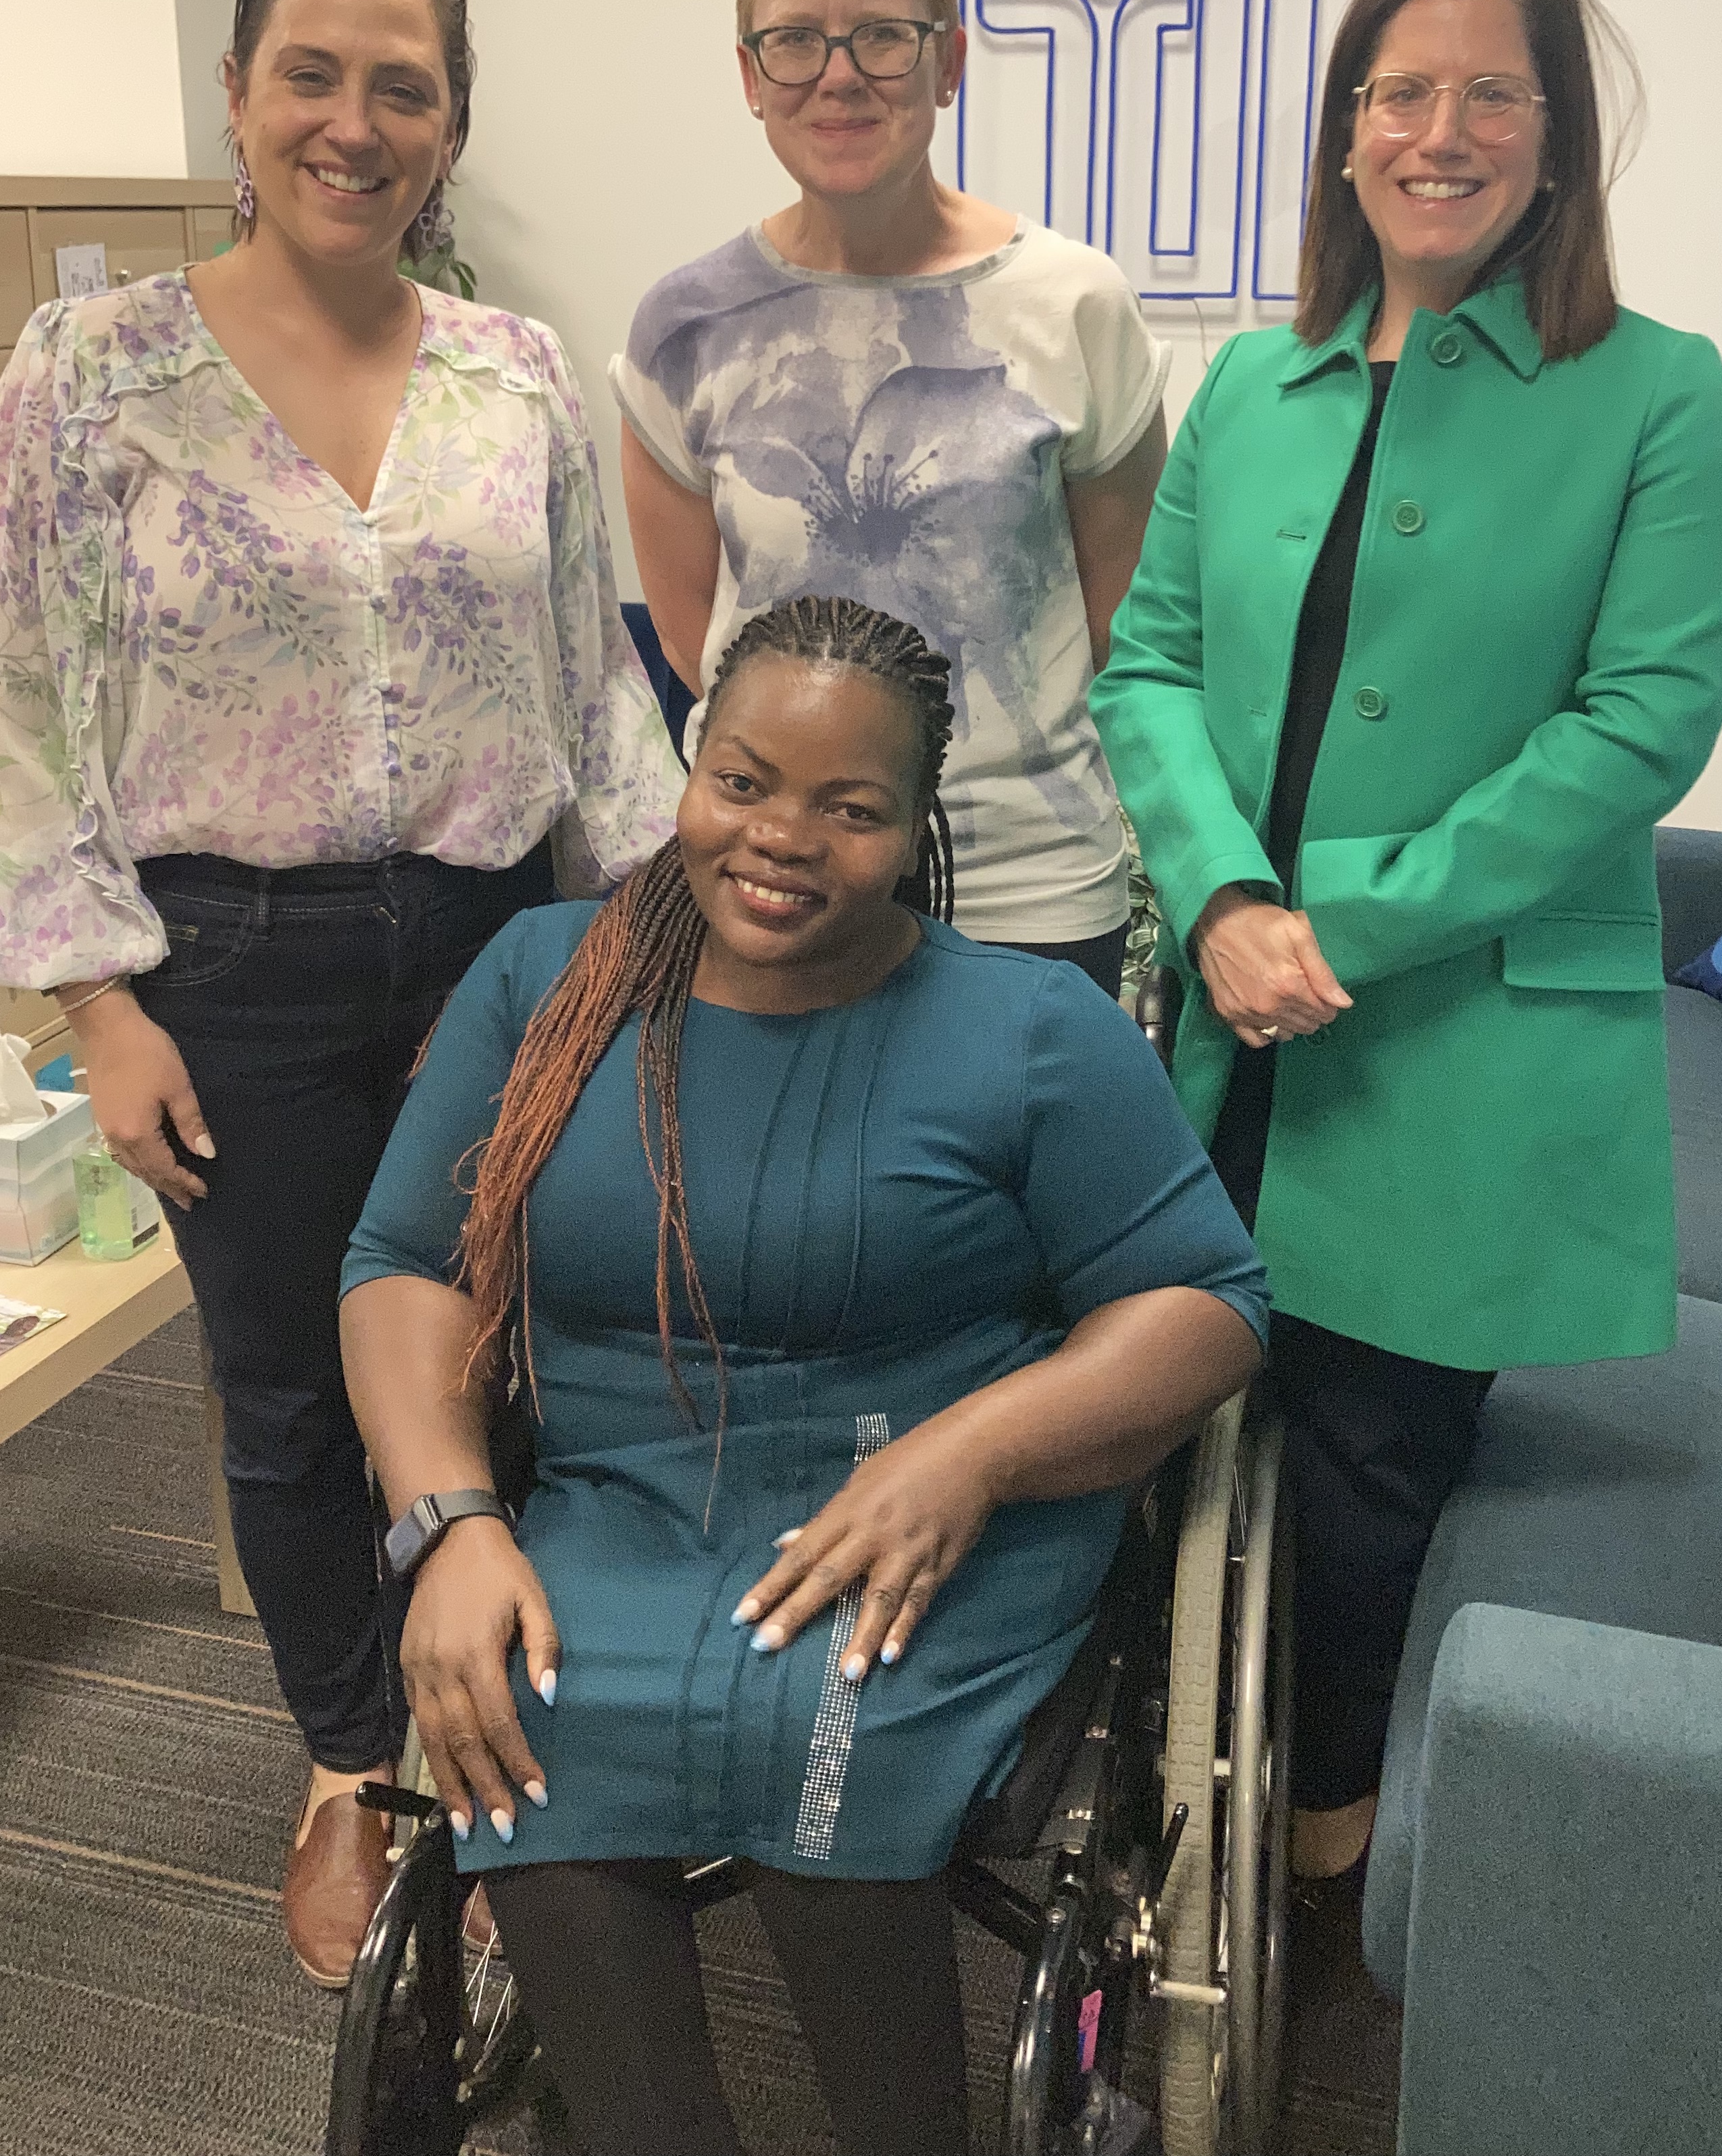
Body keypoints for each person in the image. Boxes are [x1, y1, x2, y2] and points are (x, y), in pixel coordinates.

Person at [0, 0, 681, 1985]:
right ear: (241, 95)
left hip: (486, 949)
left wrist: (647, 952)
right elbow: (1, 702)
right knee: (283, 1385)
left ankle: (493, 1691)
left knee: (490, 1347)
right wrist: (97, 1003)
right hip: (221, 972)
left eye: (406, 88)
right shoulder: (91, 375)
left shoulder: (517, 376)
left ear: (453, 126)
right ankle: (356, 1758)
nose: (356, 124)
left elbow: (592, 693)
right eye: (313, 76)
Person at [340, 595, 1267, 2156]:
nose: (782, 838)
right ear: (689, 767)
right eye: (746, 780)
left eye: (852, 807)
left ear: (916, 830)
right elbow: (407, 1268)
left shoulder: (1026, 1029)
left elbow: (1207, 1304)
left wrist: (972, 1453)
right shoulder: (547, 982)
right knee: (521, 1709)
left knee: (827, 1723)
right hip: (619, 1495)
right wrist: (453, 1525)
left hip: (933, 1502)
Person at [1092, 0, 1722, 1891]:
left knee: (1374, 1465)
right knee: (1147, 1394)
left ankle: (1324, 1830)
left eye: (1490, 93)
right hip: (1221, 1007)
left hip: (1456, 1022)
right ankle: (1134, 1770)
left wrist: (1347, 921)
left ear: (1557, 141)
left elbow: (1640, 730)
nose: (1438, 131)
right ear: (1346, 131)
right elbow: (1144, 668)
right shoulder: (1252, 386)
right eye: (1399, 91)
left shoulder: (1657, 398)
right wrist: (1220, 893)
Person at [612, 0, 1168, 998]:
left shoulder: (1073, 306)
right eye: (795, 41)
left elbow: (1126, 626)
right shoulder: (685, 328)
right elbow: (691, 639)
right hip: (778, 888)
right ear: (751, 72)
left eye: (883, 34)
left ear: (948, 59)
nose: (839, 74)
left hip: (1027, 884)